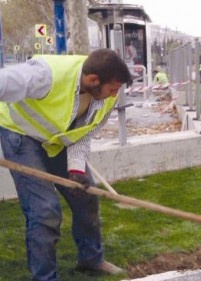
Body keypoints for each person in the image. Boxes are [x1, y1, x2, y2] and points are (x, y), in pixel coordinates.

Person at [0, 48, 132, 280]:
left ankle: (91, 260)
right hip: (19, 132)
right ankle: (45, 277)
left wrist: (76, 169)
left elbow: (83, 135)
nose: (115, 95)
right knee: (44, 210)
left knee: (86, 195)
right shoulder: (46, 75)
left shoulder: (104, 97)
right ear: (93, 80)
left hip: (55, 140)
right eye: (113, 89)